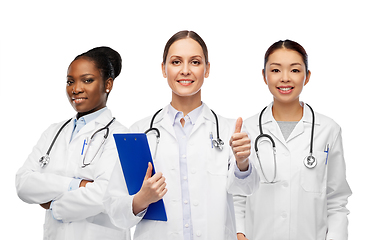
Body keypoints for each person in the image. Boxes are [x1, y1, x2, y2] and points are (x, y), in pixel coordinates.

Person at [104, 30, 257, 240]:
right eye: (176, 62)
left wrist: (242, 162)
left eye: (195, 62)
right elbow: (114, 209)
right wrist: (141, 199)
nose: (185, 70)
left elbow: (246, 189)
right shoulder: (140, 133)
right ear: (163, 69)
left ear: (207, 69)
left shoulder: (230, 131)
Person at [234, 40, 352, 240]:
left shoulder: (328, 130)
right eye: (276, 70)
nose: (285, 78)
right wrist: (239, 232)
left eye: (295, 70)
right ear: (264, 76)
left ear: (307, 77)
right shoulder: (248, 129)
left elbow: (336, 199)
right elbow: (238, 194)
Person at [16, 46, 130, 239]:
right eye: (70, 81)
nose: (76, 89)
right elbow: (23, 183)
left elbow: (104, 194)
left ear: (108, 84)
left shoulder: (122, 135)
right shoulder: (54, 132)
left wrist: (53, 204)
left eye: (87, 80)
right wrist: (78, 185)